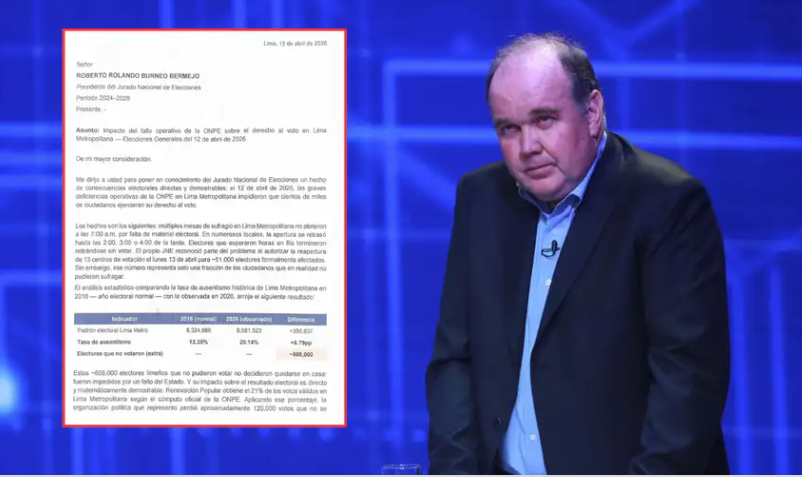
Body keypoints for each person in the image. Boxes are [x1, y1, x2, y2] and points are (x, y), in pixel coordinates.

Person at [425, 32, 731, 475]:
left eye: (544, 120)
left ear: (592, 112)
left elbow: (688, 384)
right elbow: (453, 359)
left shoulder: (666, 203)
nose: (528, 147)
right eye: (509, 129)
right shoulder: (481, 198)